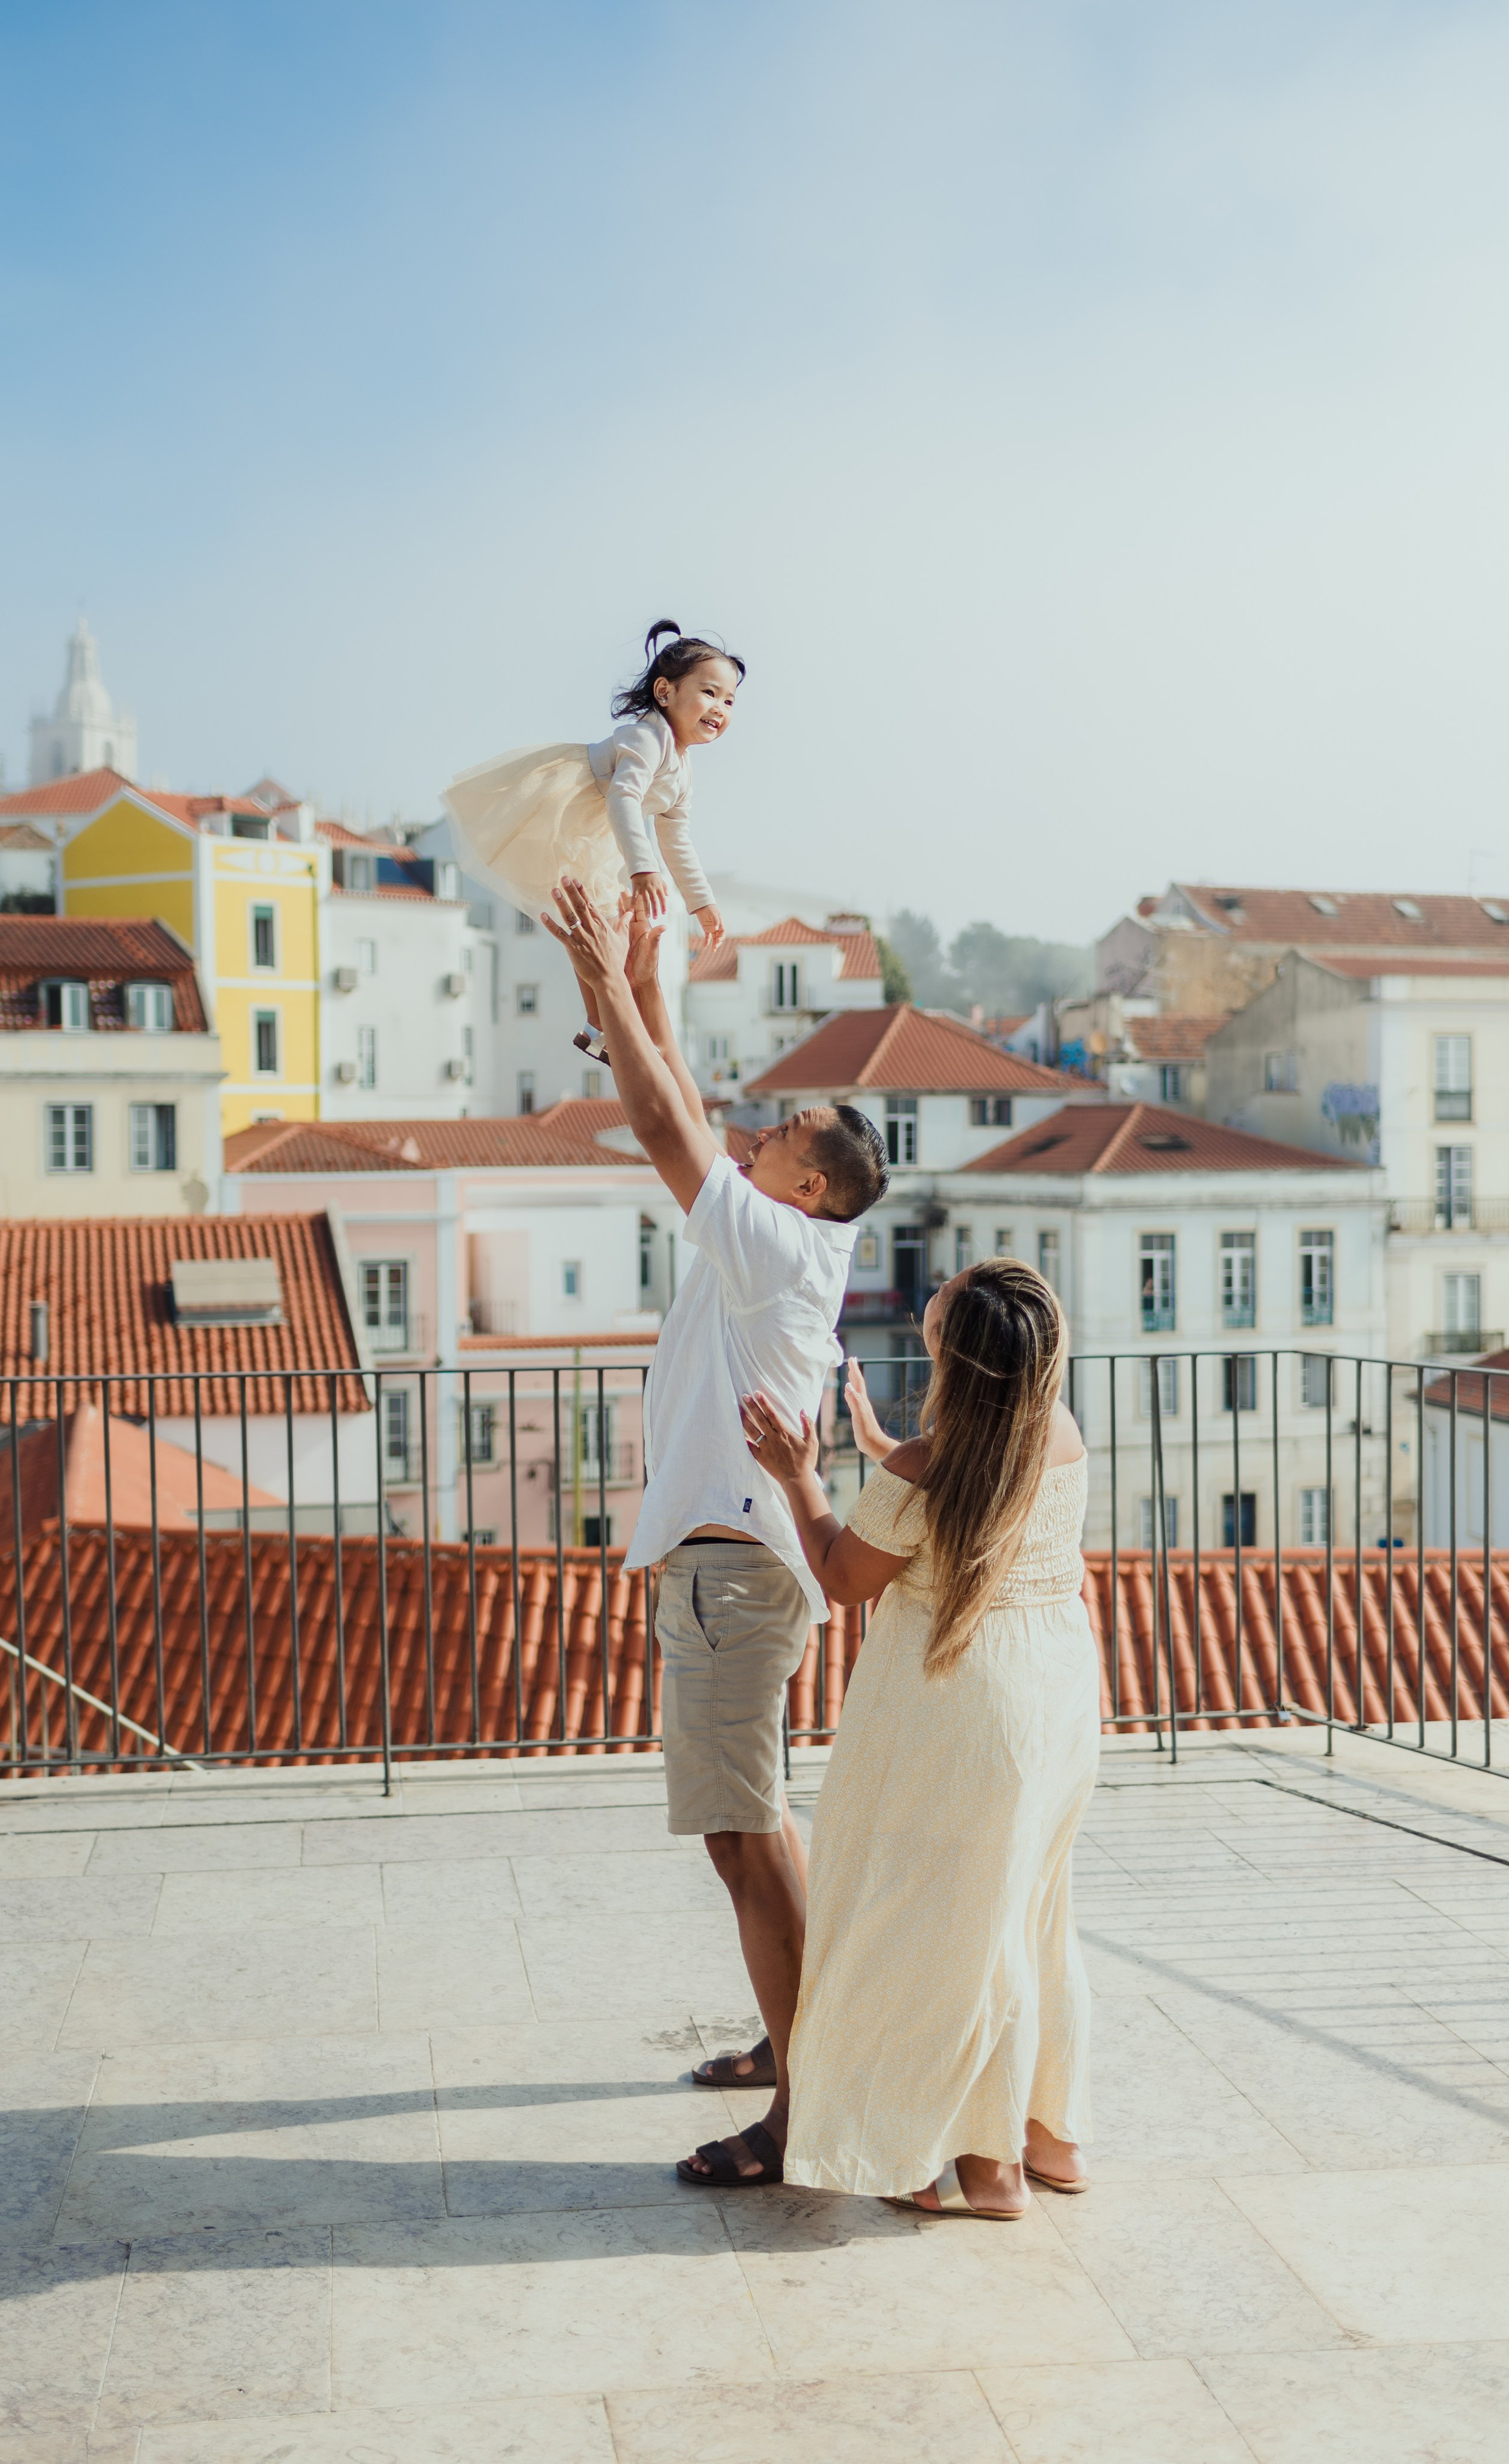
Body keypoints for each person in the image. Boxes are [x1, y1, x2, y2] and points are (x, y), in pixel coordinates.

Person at [540, 875, 889, 2190]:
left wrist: (609, 982)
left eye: (783, 1131)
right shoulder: (773, 1238)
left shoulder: (779, 1247)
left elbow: (657, 1117)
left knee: (746, 1835)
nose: (756, 1132)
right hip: (728, 1571)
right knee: (745, 1831)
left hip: (733, 1578)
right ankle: (794, 2040)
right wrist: (628, 980)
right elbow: (679, 1095)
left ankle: (808, 2102)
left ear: (813, 1182)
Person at [739, 1258, 1100, 2217]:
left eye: (935, 1311)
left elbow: (843, 1574)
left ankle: (977, 2164)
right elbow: (973, 1488)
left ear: (953, 1357)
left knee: (930, 1930)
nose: (930, 1299)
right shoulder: (1059, 1433)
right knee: (1026, 1914)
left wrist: (800, 1476)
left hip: (963, 1711)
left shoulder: (922, 1471)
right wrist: (885, 1449)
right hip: (1058, 1695)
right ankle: (1045, 2132)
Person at [443, 621, 737, 1064]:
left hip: (601, 831)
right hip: (568, 814)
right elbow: (624, 796)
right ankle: (600, 1026)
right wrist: (642, 868)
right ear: (665, 693)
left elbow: (676, 836)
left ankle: (602, 1027)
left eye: (730, 700)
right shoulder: (648, 737)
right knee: (595, 923)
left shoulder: (683, 767)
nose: (720, 707)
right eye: (710, 692)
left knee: (607, 927)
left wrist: (702, 902)